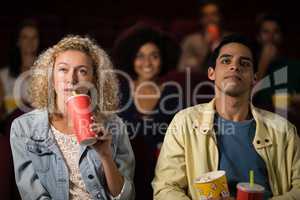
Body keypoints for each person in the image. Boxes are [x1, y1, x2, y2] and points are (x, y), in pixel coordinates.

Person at [152, 35, 300, 199]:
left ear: (254, 78)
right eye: (226, 61)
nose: (234, 67)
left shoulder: (283, 129)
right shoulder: (184, 122)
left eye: (244, 63)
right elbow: (165, 188)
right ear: (211, 73)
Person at [10, 35, 135, 200]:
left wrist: (105, 155)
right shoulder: (23, 127)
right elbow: (33, 194)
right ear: (51, 77)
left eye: (82, 71)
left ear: (94, 80)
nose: (72, 79)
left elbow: (126, 197)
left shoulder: (114, 125)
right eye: (63, 69)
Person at [113, 24, 181, 200]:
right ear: (131, 59)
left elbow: (179, 138)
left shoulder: (172, 93)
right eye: (140, 56)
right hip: (124, 171)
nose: (147, 63)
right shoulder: (121, 90)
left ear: (163, 59)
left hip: (162, 173)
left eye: (154, 56)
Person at [0, 19, 40, 114]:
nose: (30, 42)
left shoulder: (47, 73)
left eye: (34, 37)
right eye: (25, 37)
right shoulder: (3, 75)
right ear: (18, 41)